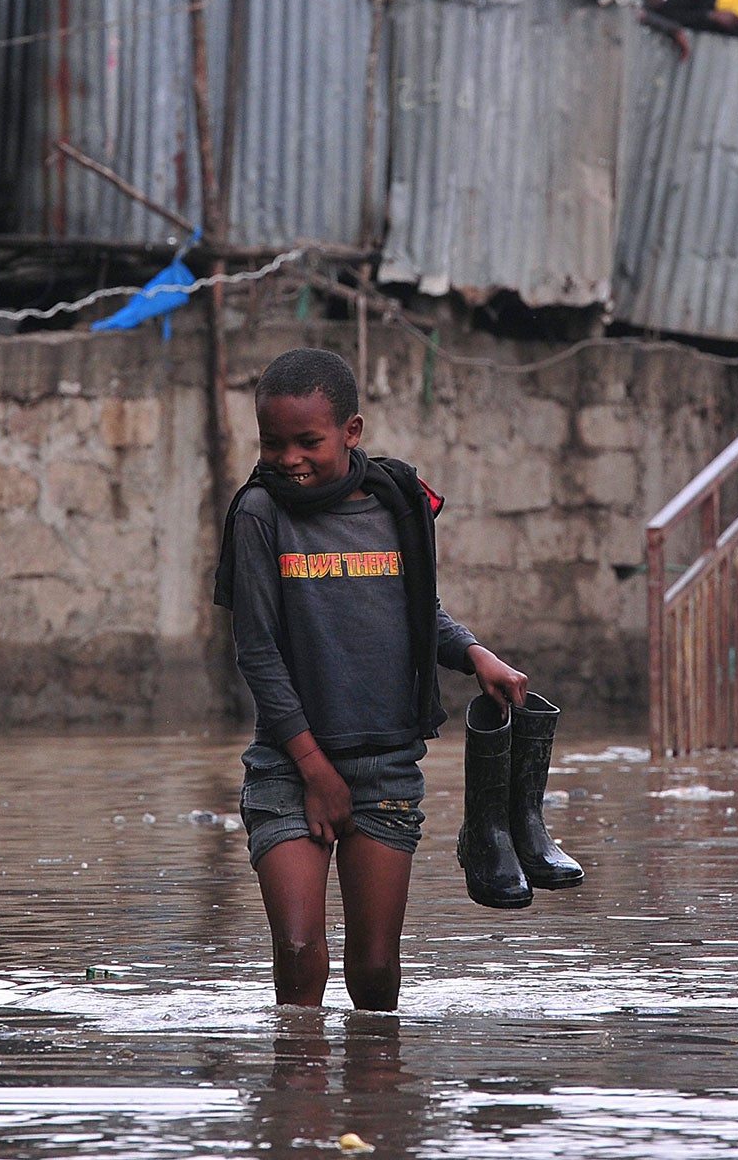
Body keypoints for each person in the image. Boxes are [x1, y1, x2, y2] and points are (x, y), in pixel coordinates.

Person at [214, 348, 532, 1009]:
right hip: (286, 766)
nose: (289, 460)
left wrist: (476, 655)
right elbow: (259, 655)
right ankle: (295, 1101)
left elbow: (419, 613)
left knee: (378, 973)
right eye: (274, 444)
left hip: (385, 765)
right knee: (300, 957)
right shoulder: (258, 515)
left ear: (351, 432)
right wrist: (316, 772)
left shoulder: (398, 503)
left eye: (309, 442)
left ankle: (374, 1100)